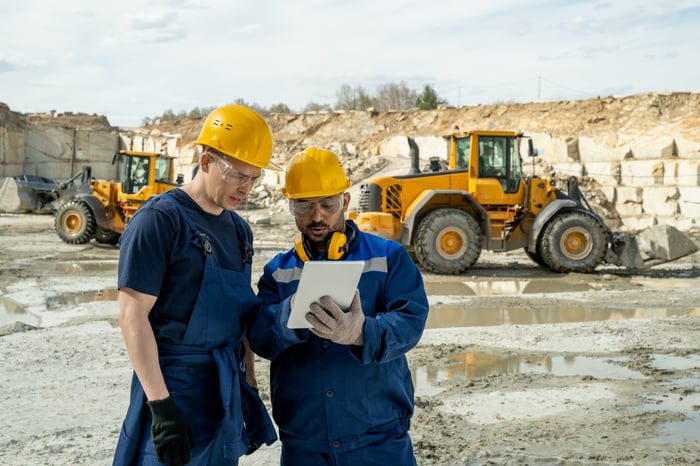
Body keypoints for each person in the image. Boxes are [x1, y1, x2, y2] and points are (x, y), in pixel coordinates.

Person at [113, 104, 278, 466]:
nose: (247, 189)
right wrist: (161, 406)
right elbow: (132, 316)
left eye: (255, 178)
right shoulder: (159, 221)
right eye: (238, 176)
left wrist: (248, 378)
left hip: (223, 391)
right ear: (206, 162)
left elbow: (241, 314)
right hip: (173, 387)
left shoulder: (239, 231)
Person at [247, 147, 430, 465]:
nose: (316, 216)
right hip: (306, 443)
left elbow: (411, 320)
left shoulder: (388, 257)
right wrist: (288, 315)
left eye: (327, 204)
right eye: (304, 205)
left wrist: (362, 332)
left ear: (345, 202)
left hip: (379, 440)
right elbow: (259, 337)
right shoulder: (278, 271)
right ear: (290, 204)